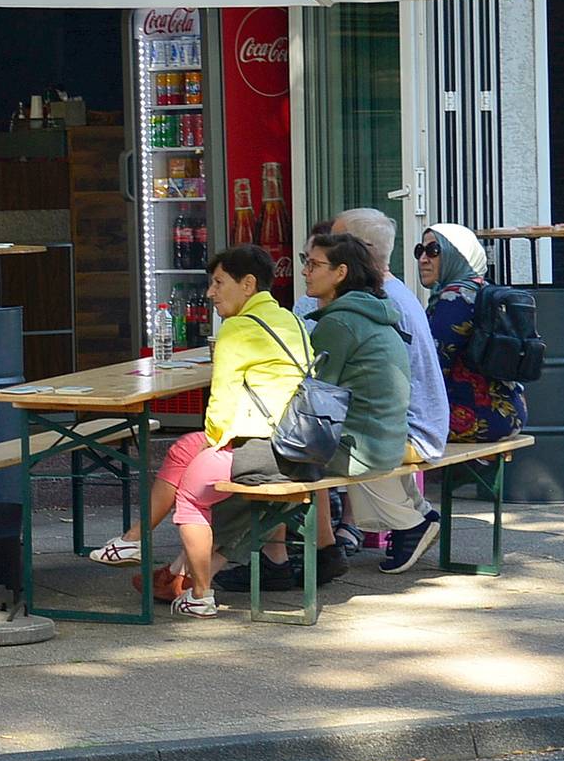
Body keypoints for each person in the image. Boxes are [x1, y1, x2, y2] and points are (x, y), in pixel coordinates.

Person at [88, 245, 308, 618]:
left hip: (270, 449)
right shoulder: (290, 319)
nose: (210, 292)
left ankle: (200, 595)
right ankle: (134, 541)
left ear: (248, 284)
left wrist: (212, 444)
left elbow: (221, 401)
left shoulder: (239, 327)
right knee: (182, 449)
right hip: (298, 442)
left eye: (218, 283)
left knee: (192, 490)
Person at [216, 233, 412, 594]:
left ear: (340, 272)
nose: (304, 271)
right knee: (283, 447)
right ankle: (323, 551)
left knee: (259, 455)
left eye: (314, 264)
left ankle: (270, 561)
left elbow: (304, 390)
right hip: (384, 437)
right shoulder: (366, 311)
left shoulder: (340, 324)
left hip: (361, 447)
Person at [329, 208, 447, 559]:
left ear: (359, 252)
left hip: (410, 428)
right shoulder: (393, 292)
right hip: (424, 421)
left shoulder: (378, 301)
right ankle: (418, 512)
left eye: (335, 245)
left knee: (334, 445)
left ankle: (409, 522)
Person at [422, 222, 528, 442]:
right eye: (419, 251)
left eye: (433, 251)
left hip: (477, 417)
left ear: (456, 254)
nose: (423, 259)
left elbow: (432, 365)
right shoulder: (481, 289)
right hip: (511, 412)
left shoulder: (455, 298)